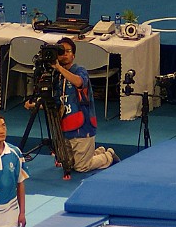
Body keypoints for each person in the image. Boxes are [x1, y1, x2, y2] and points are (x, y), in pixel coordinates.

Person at [27, 37, 118, 173]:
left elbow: (79, 82)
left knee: (81, 167)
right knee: (68, 164)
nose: (64, 54)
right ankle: (97, 152)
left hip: (82, 126)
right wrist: (36, 105)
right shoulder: (57, 77)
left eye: (67, 51)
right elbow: (56, 103)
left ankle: (109, 156)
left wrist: (58, 67)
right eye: (61, 51)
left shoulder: (80, 70)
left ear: (73, 55)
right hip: (66, 128)